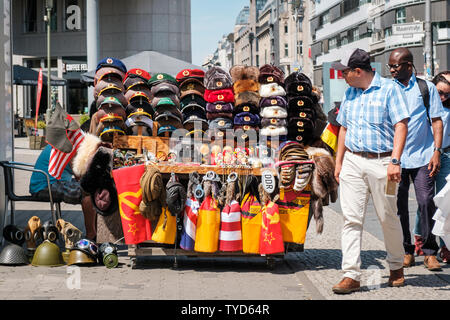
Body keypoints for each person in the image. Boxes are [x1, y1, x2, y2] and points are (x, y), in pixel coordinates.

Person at [331, 48, 410, 294]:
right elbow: (343, 128)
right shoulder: (350, 93)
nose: (341, 75)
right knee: (351, 218)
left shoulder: (390, 89)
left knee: (388, 217)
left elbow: (401, 125)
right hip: (353, 161)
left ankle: (396, 266)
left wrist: (395, 161)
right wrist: (339, 161)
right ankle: (351, 274)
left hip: (382, 162)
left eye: (344, 71)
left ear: (357, 71)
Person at [387, 48, 444, 271]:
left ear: (409, 66)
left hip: (423, 156)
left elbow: (437, 121)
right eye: (390, 65)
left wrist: (436, 151)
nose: (391, 69)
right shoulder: (386, 88)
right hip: (396, 160)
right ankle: (405, 250)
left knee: (425, 201)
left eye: (396, 66)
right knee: (398, 206)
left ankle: (430, 252)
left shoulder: (425, 88)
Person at [29, 144, 97, 240]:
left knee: (95, 189)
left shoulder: (63, 142)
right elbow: (79, 175)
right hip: (44, 185)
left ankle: (96, 232)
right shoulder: (67, 147)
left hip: (54, 182)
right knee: (88, 193)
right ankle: (91, 235)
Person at [432, 71, 450, 263]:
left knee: (447, 202)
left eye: (447, 94)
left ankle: (446, 246)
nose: (443, 97)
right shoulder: (425, 105)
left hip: (446, 154)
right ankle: (422, 242)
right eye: (440, 92)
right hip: (426, 156)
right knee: (425, 202)